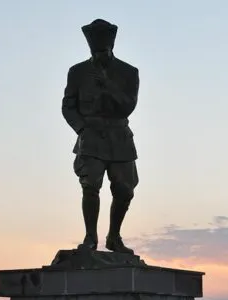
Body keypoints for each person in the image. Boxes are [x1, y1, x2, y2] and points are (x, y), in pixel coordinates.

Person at [61, 19, 140, 254]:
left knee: (125, 190)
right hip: (91, 137)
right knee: (90, 186)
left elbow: (128, 105)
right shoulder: (77, 72)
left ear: (111, 45)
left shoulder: (128, 72)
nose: (98, 52)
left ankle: (114, 237)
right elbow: (68, 106)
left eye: (102, 47)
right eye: (94, 47)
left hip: (120, 138)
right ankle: (90, 238)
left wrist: (108, 86)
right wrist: (81, 129)